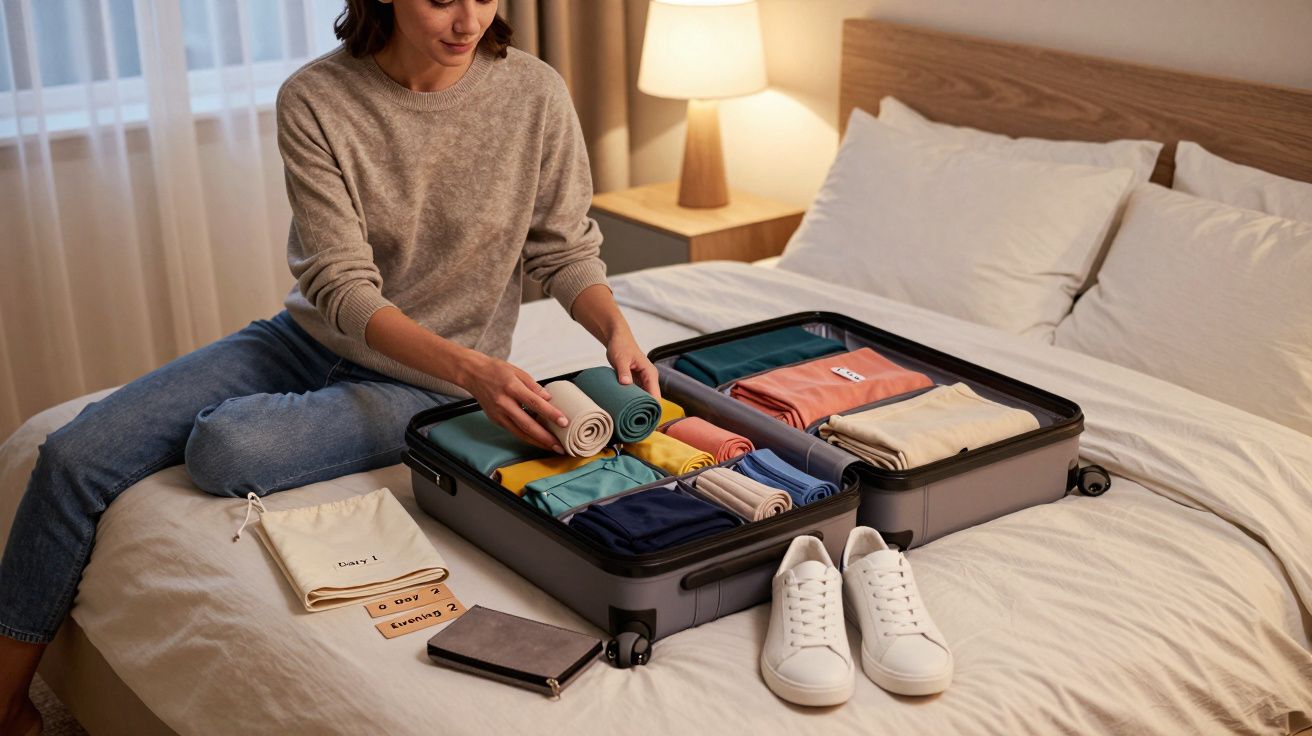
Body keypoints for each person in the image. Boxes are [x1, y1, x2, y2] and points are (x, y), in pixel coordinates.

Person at [0, 1, 658, 732]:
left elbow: (564, 250)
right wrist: (477, 373)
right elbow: (340, 286)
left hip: (423, 387)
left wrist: (615, 330)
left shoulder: (535, 92)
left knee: (223, 447)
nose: (468, 18)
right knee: (72, 453)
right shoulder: (316, 97)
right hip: (305, 340)